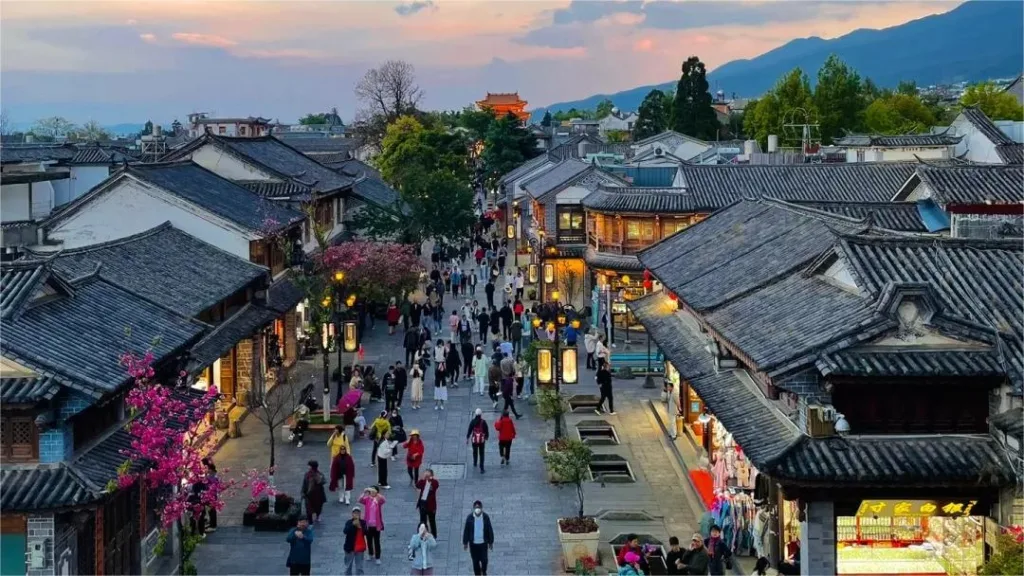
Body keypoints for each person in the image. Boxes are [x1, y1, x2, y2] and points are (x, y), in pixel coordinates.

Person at [462, 500, 494, 576]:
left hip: (483, 543)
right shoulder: (470, 518)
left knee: (484, 560)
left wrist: (490, 542)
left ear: (481, 508)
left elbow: (489, 529)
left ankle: (484, 571)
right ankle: (477, 574)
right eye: (476, 507)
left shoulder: (485, 517)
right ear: (473, 508)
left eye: (479, 507)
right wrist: (465, 543)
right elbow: (466, 530)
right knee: (475, 561)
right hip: (473, 544)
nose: (477, 509)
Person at [358, 487, 386, 565]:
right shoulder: (367, 499)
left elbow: (384, 500)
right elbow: (360, 500)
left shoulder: (378, 500)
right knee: (369, 541)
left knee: (377, 541)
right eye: (371, 492)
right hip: (368, 525)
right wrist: (364, 492)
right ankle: (370, 554)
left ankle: (378, 557)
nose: (372, 493)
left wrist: (377, 494)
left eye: (373, 492)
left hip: (377, 525)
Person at [342, 506, 367, 575]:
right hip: (349, 548)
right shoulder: (349, 522)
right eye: (355, 513)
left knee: (359, 567)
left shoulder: (363, 522)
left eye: (358, 513)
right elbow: (345, 531)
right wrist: (353, 525)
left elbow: (366, 533)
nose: (356, 514)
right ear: (352, 514)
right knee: (348, 567)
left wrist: (359, 527)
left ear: (360, 514)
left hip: (359, 547)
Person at [415, 469, 440, 537]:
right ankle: (423, 534)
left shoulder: (434, 482)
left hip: (431, 506)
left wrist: (430, 480)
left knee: (432, 521)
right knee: (423, 521)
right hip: (423, 505)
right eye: (425, 474)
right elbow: (417, 485)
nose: (426, 476)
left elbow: (436, 485)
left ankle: (434, 536)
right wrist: (422, 479)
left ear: (431, 475)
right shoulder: (423, 482)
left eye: (428, 475)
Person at [466, 408, 489, 473]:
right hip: (481, 440)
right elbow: (486, 430)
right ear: (481, 414)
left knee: (475, 452)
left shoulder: (473, 421)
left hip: (474, 440)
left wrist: (467, 438)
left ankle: (475, 462)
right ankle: (481, 468)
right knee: (482, 454)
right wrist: (486, 437)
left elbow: (469, 430)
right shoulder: (483, 422)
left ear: (475, 414)